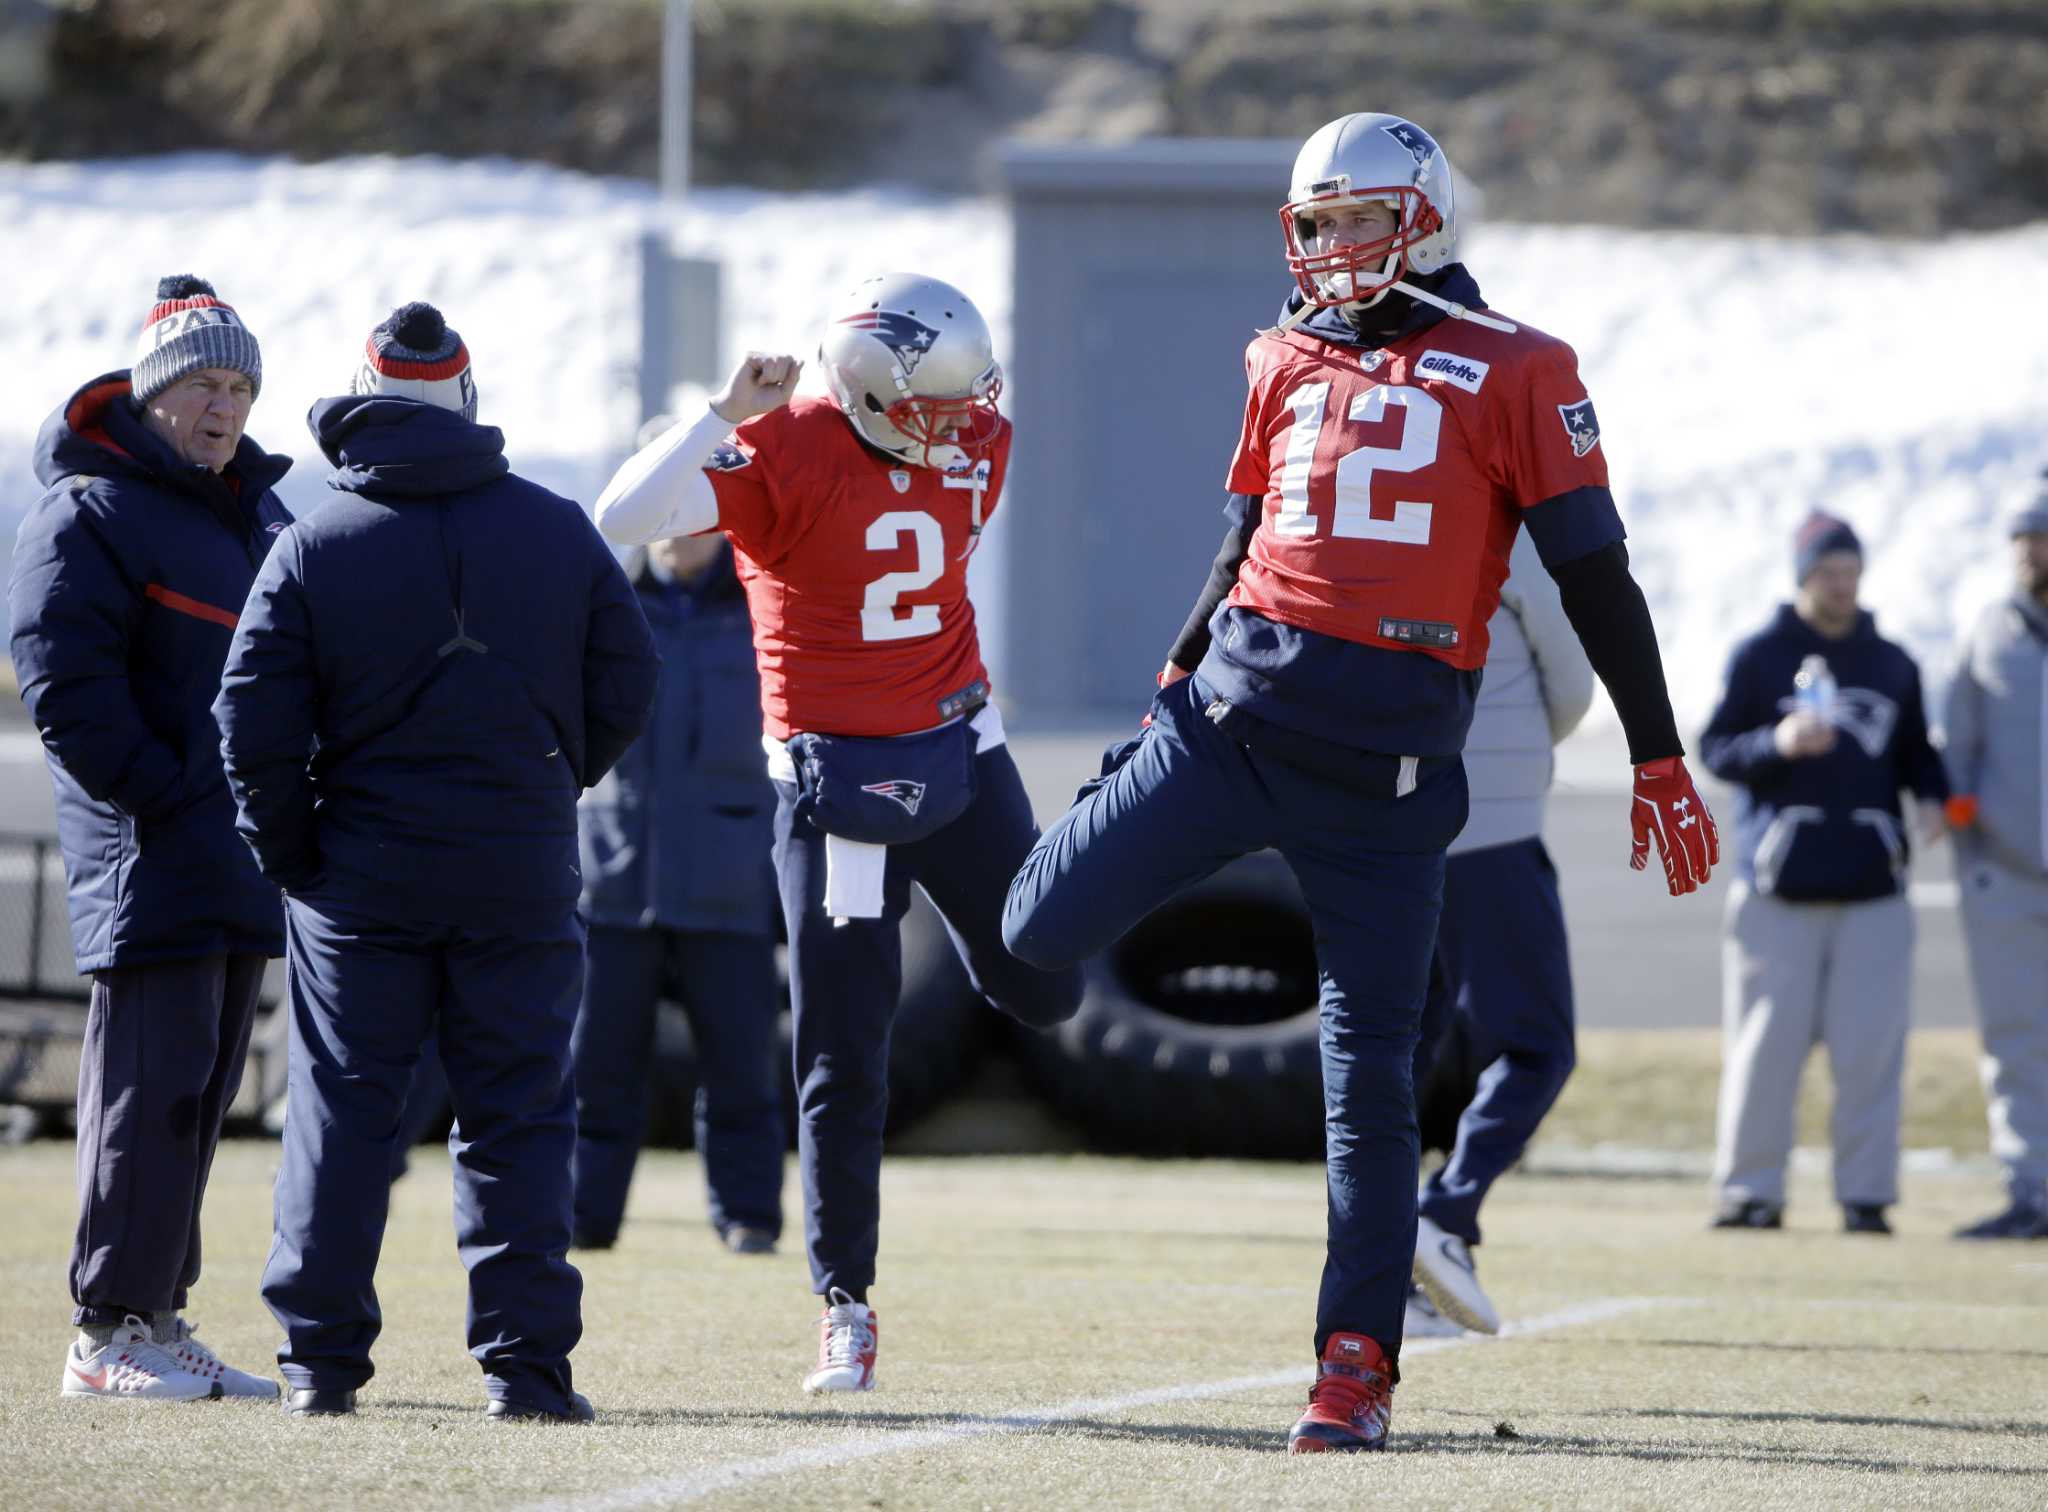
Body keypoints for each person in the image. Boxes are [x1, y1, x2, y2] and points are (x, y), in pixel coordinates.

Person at [999, 113, 1716, 1454]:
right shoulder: (1282, 351)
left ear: (1429, 217)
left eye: (1358, 218)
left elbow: (1596, 576)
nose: (1331, 246)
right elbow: (1242, 534)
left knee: (1371, 1083)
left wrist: (1658, 749)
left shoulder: (1523, 367)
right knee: (1032, 930)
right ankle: (1084, 791)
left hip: (1388, 785)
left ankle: (1354, 1369)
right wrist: (1172, 673)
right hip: (1229, 730)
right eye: (1314, 222)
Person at [592, 272, 1083, 1395]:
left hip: (960, 750)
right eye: (940, 402)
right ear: (868, 395)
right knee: (839, 1053)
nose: (966, 421)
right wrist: (721, 417)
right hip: (833, 784)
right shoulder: (783, 451)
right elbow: (622, 519)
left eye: (971, 398)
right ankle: (843, 1306)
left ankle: (1095, 844)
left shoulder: (974, 440)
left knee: (1048, 986)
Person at [213, 303, 658, 1420]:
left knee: (344, 1115)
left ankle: (319, 1366)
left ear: (362, 399)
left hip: (359, 877)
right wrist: (552, 779)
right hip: (516, 866)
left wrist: (295, 852)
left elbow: (248, 723)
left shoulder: (313, 542)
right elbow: (629, 685)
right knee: (518, 1113)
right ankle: (526, 1371)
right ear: (466, 400)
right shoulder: (557, 530)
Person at [10, 275, 287, 1402]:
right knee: (144, 1101)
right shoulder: (89, 513)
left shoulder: (254, 517)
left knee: (196, 1106)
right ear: (151, 392)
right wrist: (173, 798)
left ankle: (159, 1318)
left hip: (236, 858)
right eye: (202, 386)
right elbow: (66, 688)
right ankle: (106, 1332)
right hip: (154, 857)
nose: (223, 409)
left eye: (239, 386)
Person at [1698, 511, 1947, 1236]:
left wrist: (1933, 795)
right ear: (1803, 576)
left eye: (1851, 573)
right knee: (1763, 1049)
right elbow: (1716, 748)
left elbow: (1915, 755)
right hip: (1777, 887)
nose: (1843, 587)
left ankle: (1866, 1196)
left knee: (1871, 1052)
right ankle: (1751, 1191)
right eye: (1829, 573)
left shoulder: (1892, 662)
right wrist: (1776, 741)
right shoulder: (1760, 656)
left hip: (1874, 890)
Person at [571, 530, 785, 1255]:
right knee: (595, 1068)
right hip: (613, 881)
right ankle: (583, 1220)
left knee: (742, 1065)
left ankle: (748, 1217)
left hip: (728, 878)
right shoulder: (599, 598)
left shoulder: (764, 598)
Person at [1404, 528, 1594, 1339]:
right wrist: (1511, 757)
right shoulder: (1507, 529)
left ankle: (1382, 1272)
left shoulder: (1388, 515)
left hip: (1394, 821)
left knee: (1400, 1047)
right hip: (1491, 823)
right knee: (1536, 1047)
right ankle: (1443, 1216)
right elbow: (1573, 686)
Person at [1940, 481, 2048, 1240]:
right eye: (2022, 541)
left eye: (2040, 538)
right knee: (2014, 1038)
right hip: (2005, 877)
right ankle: (2031, 1191)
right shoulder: (1987, 633)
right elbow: (1957, 747)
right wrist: (1965, 825)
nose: (2031, 554)